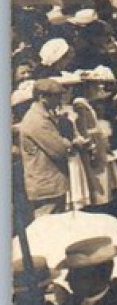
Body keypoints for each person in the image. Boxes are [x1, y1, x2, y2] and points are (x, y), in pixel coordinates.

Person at [17, 78, 76, 219]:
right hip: (46, 187)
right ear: (42, 97)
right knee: (48, 228)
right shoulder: (38, 121)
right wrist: (69, 140)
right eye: (56, 96)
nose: (60, 100)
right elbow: (60, 149)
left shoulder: (44, 116)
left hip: (50, 184)